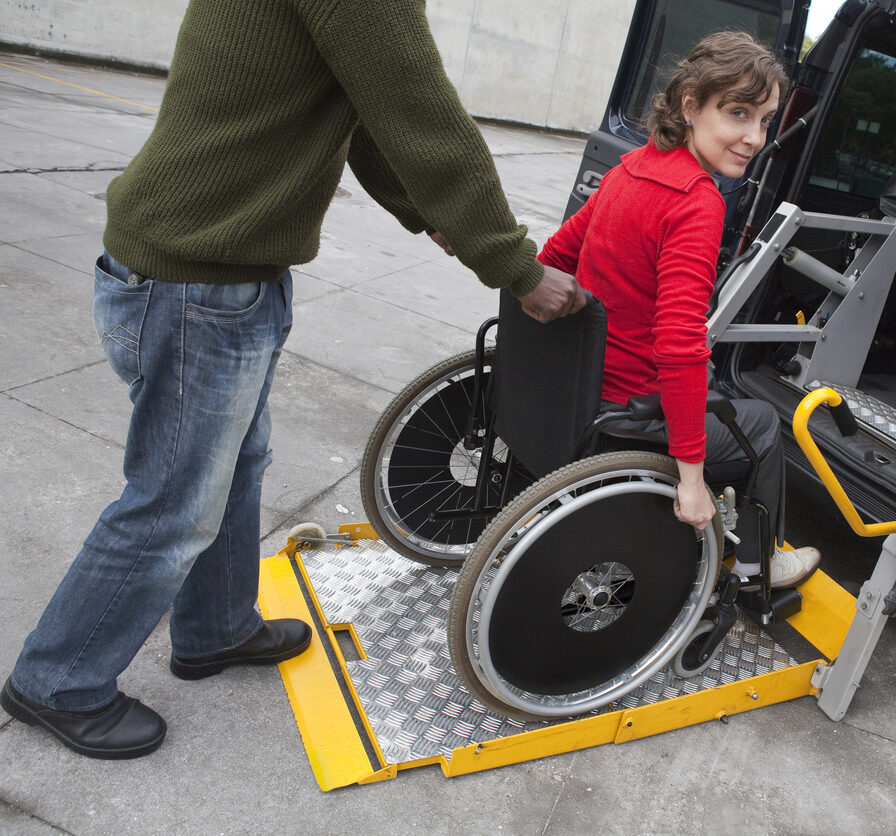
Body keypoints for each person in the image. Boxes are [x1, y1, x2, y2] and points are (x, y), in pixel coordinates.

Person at [0, 0, 583, 760]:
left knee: (237, 468)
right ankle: (57, 681)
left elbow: (372, 122)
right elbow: (420, 116)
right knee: (173, 504)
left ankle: (214, 629)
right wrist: (510, 264)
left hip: (215, 273)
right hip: (196, 283)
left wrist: (435, 220)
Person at [537, 31, 820, 587]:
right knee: (761, 423)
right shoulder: (696, 201)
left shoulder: (629, 167)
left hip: (575, 386)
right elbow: (678, 347)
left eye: (764, 121)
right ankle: (760, 565)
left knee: (719, 394)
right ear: (690, 104)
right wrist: (691, 478)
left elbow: (553, 258)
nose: (753, 137)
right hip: (627, 413)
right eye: (738, 113)